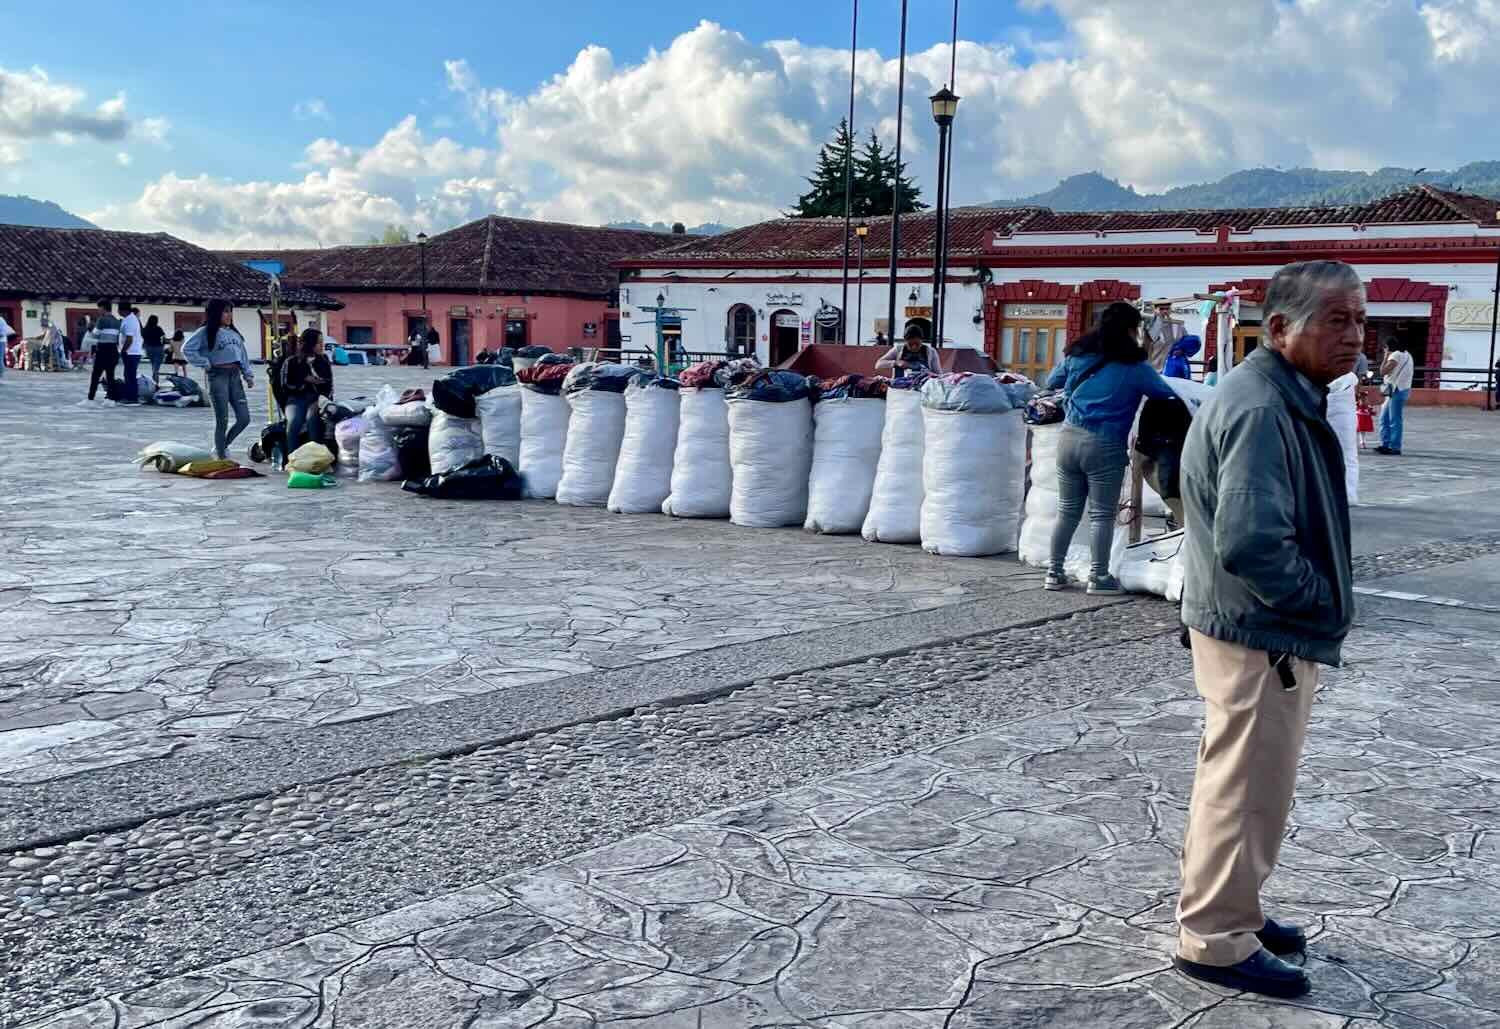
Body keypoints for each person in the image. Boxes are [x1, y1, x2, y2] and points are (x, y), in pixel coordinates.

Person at [1173, 260, 1361, 1000]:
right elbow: (1252, 542)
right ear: (1280, 328)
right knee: (1247, 783)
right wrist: (1319, 601)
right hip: (1264, 629)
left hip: (1259, 626)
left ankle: (1229, 905)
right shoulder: (1262, 409)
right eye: (1336, 320)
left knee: (1243, 780)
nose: (1354, 336)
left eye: (1360, 320)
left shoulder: (1283, 395)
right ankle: (1215, 936)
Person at [1042, 301, 1180, 594]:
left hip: (1068, 438)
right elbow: (1165, 393)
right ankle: (1099, 577)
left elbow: (1052, 382)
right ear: (1132, 329)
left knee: (1067, 511)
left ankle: (1054, 572)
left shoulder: (1077, 354)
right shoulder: (1134, 366)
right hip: (1104, 443)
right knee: (1101, 514)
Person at [184, 299, 254, 460]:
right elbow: (187, 349)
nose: (229, 315)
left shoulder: (235, 334)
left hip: (235, 377)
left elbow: (243, 356)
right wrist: (205, 363)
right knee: (222, 419)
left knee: (244, 418)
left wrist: (248, 375)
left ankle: (221, 446)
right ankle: (221, 457)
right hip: (217, 377)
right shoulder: (205, 332)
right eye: (225, 311)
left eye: (230, 311)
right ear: (215, 313)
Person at [282, 328, 334, 451]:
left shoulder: (323, 360)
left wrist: (322, 398)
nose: (322, 346)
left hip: (317, 399)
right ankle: (292, 457)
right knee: (294, 421)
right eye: (319, 343)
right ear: (310, 344)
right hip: (296, 399)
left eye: (322, 342)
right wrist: (304, 382)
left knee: (312, 419)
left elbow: (329, 384)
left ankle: (315, 456)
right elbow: (285, 385)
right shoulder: (292, 361)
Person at [1375, 341, 1414, 456]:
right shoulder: (1407, 355)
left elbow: (1382, 371)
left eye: (1385, 348)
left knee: (1394, 419)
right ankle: (1386, 444)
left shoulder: (1395, 355)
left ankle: (1394, 447)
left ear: (1388, 347)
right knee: (1386, 418)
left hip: (1396, 390)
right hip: (1402, 389)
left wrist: (1385, 356)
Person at [87, 300, 121, 402]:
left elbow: (95, 334)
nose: (98, 310)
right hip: (113, 350)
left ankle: (91, 397)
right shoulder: (117, 321)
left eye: (99, 308)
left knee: (96, 375)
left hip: (103, 349)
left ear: (103, 308)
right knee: (110, 375)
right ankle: (111, 398)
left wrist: (91, 328)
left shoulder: (101, 320)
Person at [875, 326, 941, 375]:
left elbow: (939, 374)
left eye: (917, 344)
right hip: (900, 386)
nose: (914, 347)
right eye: (910, 344)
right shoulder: (898, 349)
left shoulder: (931, 352)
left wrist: (929, 374)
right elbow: (878, 364)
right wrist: (896, 363)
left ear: (922, 340)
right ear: (905, 341)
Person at [1145, 299, 1186, 371]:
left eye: (1167, 308)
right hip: (1153, 370)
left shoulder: (1177, 325)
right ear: (1155, 310)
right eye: (1161, 309)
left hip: (1173, 370)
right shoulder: (1148, 326)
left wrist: (1182, 350)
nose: (1165, 311)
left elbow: (1187, 342)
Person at [117, 302, 143, 403]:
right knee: (128, 375)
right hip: (131, 351)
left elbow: (129, 339)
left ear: (122, 310)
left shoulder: (130, 321)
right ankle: (130, 396)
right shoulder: (129, 319)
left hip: (131, 352)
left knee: (130, 375)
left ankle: (132, 398)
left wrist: (123, 350)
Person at [141, 314, 167, 383]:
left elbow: (143, 338)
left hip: (149, 348)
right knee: (156, 367)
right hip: (158, 348)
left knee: (153, 365)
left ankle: (154, 380)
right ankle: (155, 382)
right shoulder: (158, 328)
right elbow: (163, 338)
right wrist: (163, 345)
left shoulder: (145, 329)